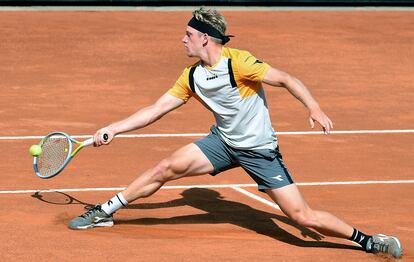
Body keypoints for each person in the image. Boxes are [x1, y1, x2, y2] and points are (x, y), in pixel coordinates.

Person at [68, 7, 402, 258]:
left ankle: (369, 240)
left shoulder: (238, 63)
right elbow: (155, 109)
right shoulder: (192, 76)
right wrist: (113, 128)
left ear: (204, 38)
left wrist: (312, 107)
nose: (182, 39)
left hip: (259, 151)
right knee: (164, 168)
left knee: (303, 219)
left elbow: (286, 79)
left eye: (187, 34)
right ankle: (105, 211)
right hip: (222, 143)